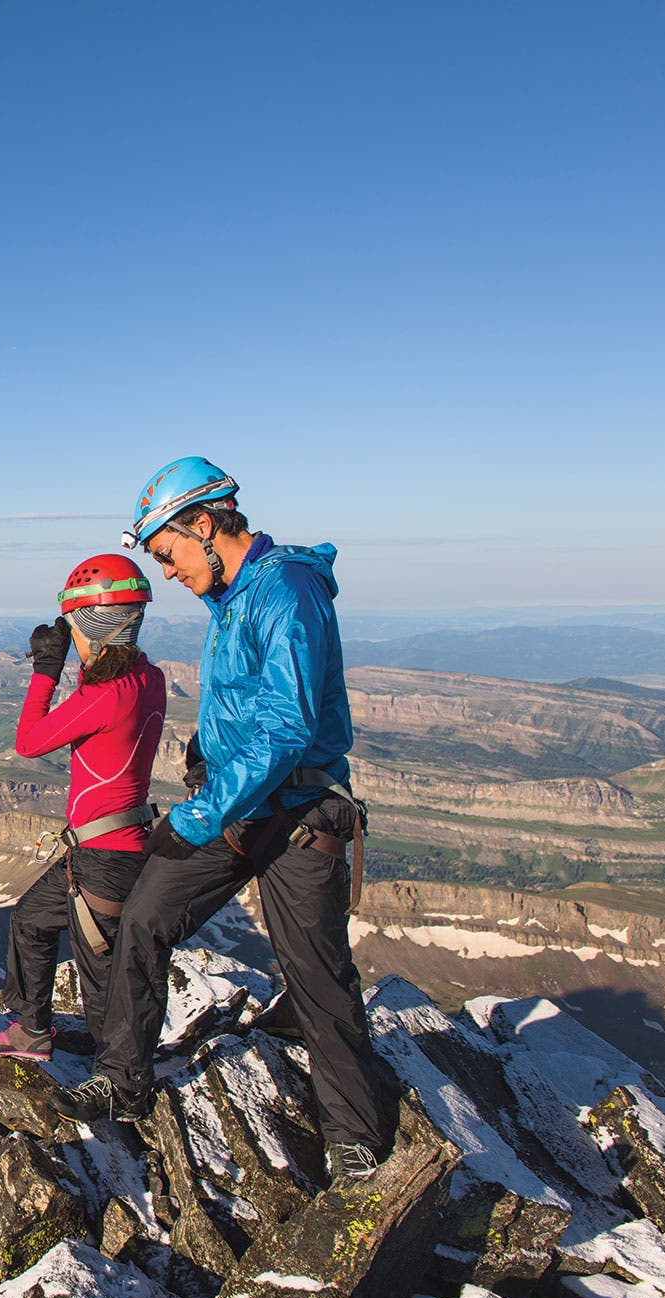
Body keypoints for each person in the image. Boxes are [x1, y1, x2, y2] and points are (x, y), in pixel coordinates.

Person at [48, 458, 397, 1186]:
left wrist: (202, 811)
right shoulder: (235, 600)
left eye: (168, 553)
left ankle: (356, 1137)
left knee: (314, 971)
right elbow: (249, 711)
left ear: (204, 526)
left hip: (296, 812)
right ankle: (123, 1076)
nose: (168, 573)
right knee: (144, 917)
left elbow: (286, 727)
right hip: (242, 806)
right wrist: (207, 754)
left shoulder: (288, 592)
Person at [0, 555, 167, 1061]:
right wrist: (85, 657)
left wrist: (45, 670)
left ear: (91, 623)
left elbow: (29, 742)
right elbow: (103, 692)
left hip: (104, 857)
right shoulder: (148, 680)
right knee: (31, 920)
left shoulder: (107, 694)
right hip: (115, 847)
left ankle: (119, 1087)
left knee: (100, 977)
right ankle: (33, 1030)